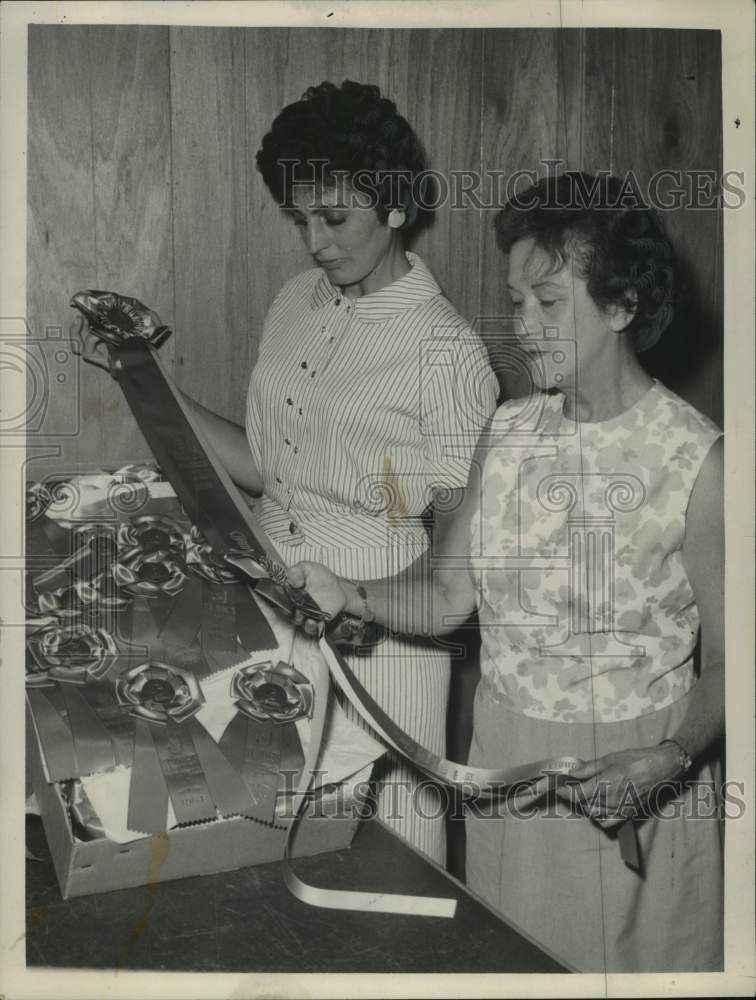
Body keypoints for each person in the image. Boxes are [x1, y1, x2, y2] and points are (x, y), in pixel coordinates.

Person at [288, 172, 724, 972]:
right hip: (507, 767)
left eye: (549, 302)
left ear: (622, 306)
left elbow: (738, 658)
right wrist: (349, 592)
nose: (524, 327)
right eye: (517, 302)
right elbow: (450, 594)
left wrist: (670, 757)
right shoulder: (508, 431)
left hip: (632, 773)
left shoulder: (699, 459)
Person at [76, 80, 499, 865]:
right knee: (276, 854)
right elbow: (268, 470)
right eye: (300, 218)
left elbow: (459, 565)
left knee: (384, 865)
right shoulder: (294, 302)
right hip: (274, 613)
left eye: (334, 218)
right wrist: (140, 374)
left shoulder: (447, 351)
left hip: (382, 640)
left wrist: (361, 608)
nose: (315, 241)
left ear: (397, 207)